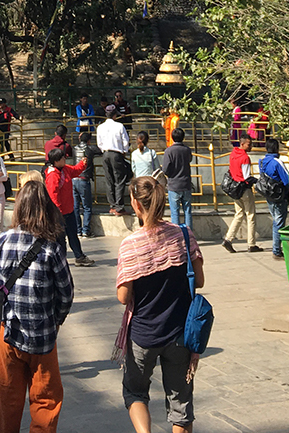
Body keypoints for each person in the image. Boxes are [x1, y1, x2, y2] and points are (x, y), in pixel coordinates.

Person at [0, 179, 74, 433]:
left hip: (7, 333)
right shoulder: (52, 248)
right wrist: (55, 320)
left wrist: (0, 313)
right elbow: (66, 293)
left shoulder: (1, 241)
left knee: (7, 398)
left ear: (19, 207)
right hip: (42, 338)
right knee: (45, 400)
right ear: (46, 208)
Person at [116, 175, 204, 433]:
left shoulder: (130, 245)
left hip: (143, 336)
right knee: (181, 407)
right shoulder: (184, 235)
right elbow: (198, 280)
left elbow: (123, 297)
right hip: (179, 333)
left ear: (135, 204)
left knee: (135, 392)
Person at [45, 147, 95, 266]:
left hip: (69, 210)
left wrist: (82, 164)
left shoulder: (64, 170)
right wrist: (57, 212)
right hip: (59, 213)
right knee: (60, 238)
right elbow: (53, 196)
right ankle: (60, 260)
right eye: (62, 157)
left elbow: (75, 170)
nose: (65, 158)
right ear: (56, 161)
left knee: (73, 235)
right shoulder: (53, 175)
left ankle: (79, 256)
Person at [222, 136, 261, 253]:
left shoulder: (233, 154)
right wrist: (258, 181)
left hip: (235, 189)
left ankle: (228, 239)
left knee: (239, 214)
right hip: (244, 189)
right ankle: (251, 243)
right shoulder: (245, 157)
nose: (251, 146)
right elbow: (246, 176)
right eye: (249, 144)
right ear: (243, 144)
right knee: (251, 215)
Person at [259, 138, 289, 259]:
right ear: (277, 148)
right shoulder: (277, 162)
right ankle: (276, 250)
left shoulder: (261, 162)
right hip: (279, 196)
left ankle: (276, 248)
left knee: (275, 221)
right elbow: (287, 180)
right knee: (279, 223)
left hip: (269, 195)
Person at [97, 105, 131, 215]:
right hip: (117, 154)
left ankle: (112, 205)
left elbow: (99, 143)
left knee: (109, 180)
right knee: (119, 180)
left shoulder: (100, 127)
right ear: (115, 115)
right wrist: (124, 151)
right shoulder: (120, 126)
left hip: (105, 153)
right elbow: (125, 141)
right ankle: (119, 206)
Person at [162, 128, 193, 229]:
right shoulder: (187, 150)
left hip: (174, 185)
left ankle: (177, 236)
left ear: (172, 137)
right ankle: (189, 235)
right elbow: (190, 159)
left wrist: (171, 174)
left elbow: (165, 169)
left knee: (175, 212)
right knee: (187, 211)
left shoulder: (169, 151)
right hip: (186, 184)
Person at [73, 131, 101, 239]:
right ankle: (86, 230)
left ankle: (78, 230)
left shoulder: (74, 148)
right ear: (89, 141)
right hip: (84, 179)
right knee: (87, 207)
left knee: (75, 206)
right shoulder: (90, 149)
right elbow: (100, 150)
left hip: (74, 179)